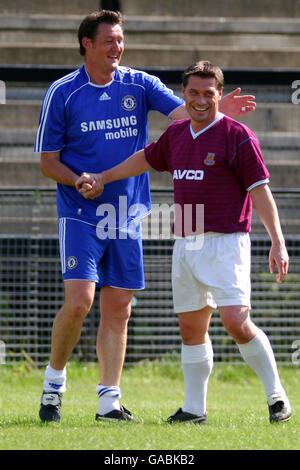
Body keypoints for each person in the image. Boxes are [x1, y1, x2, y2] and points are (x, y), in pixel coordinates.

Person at [34, 9, 256, 423]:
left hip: (128, 212)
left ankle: (108, 401)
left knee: (118, 306)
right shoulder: (62, 92)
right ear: (87, 44)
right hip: (81, 212)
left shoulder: (140, 84)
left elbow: (187, 118)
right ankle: (53, 384)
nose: (117, 47)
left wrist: (214, 108)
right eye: (109, 41)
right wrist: (77, 177)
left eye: (120, 40)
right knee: (81, 301)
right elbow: (47, 162)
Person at [76, 60, 292, 424]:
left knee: (237, 321)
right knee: (191, 329)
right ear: (184, 94)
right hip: (186, 242)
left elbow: (261, 191)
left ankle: (277, 397)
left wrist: (278, 242)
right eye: (193, 93)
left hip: (227, 242)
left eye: (209, 93)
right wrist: (102, 177)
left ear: (219, 95)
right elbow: (145, 158)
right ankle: (194, 409)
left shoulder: (237, 135)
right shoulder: (177, 135)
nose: (201, 100)